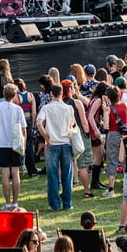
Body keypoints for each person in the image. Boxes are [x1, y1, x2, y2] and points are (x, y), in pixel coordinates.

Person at [37, 82, 77, 212]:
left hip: (52, 143)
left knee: (53, 175)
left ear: (51, 94)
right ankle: (67, 203)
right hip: (66, 142)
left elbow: (38, 123)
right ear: (62, 93)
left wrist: (46, 137)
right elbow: (72, 125)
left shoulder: (46, 108)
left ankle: (54, 204)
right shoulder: (68, 108)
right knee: (67, 175)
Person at [0, 83, 26, 210]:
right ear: (15, 95)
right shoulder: (18, 109)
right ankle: (15, 202)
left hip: (1, 143)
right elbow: (23, 130)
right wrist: (23, 145)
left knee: (5, 173)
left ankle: (7, 202)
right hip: (16, 143)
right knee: (15, 173)